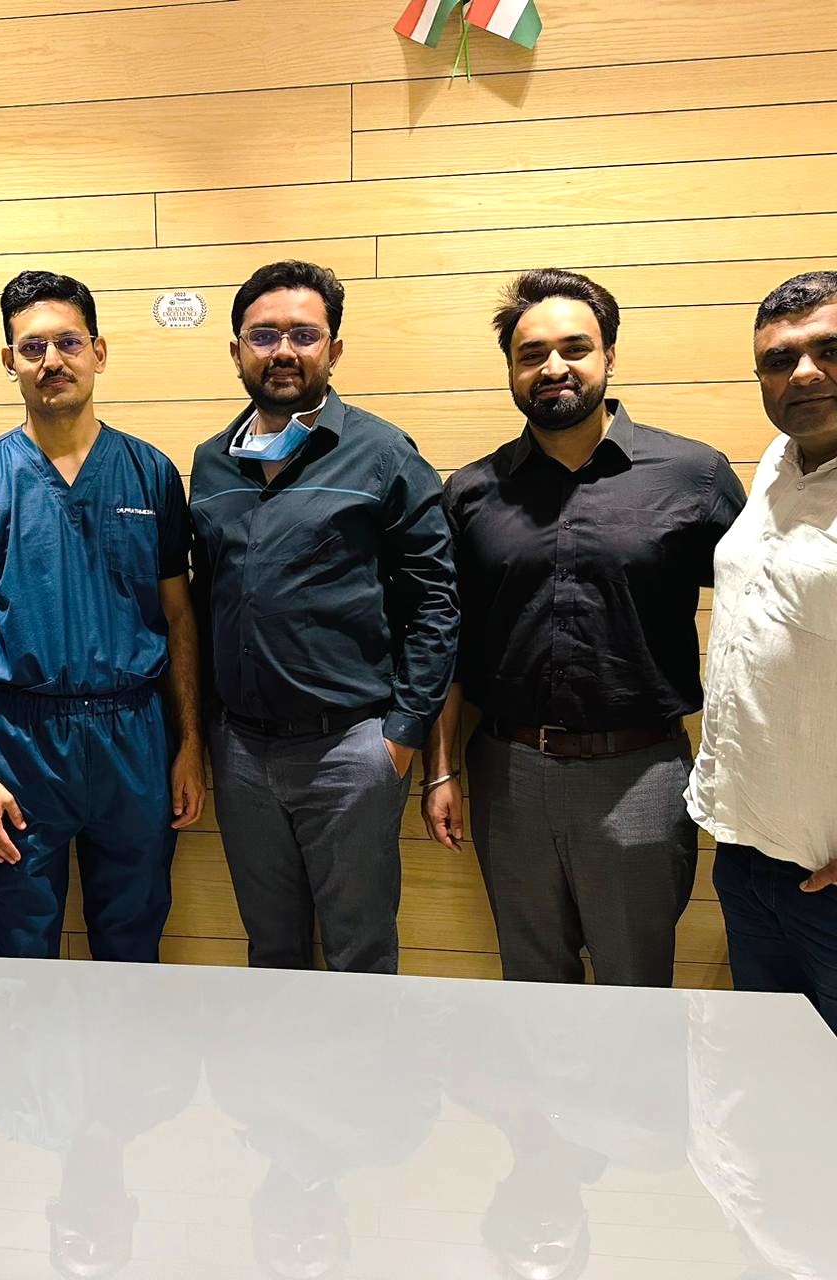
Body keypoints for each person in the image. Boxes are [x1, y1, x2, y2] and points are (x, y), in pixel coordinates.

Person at [422, 268, 745, 986]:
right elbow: (447, 644)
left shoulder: (693, 475)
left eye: (575, 348)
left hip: (641, 774)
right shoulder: (470, 493)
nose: (553, 367)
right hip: (507, 771)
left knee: (637, 984)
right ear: (512, 370)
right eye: (531, 354)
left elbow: (761, 619)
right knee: (533, 983)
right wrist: (440, 768)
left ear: (609, 356)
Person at [189, 259, 458, 974]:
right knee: (271, 950)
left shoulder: (383, 453)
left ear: (333, 349)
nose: (283, 351)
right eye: (263, 335)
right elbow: (207, 596)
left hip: (350, 750)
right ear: (236, 351)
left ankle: (365, 1062)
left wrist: (400, 736)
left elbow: (435, 600)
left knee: (358, 953)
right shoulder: (211, 463)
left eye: (304, 335)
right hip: (242, 752)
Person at [0, 271, 204, 961]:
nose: (51, 360)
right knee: (16, 946)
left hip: (134, 737)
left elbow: (179, 619)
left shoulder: (150, 473)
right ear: (10, 361)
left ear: (98, 352)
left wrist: (189, 746)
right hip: (20, 741)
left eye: (68, 342)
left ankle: (126, 1042)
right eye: (32, 347)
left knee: (133, 939)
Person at [686, 270, 837, 1034]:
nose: (804, 373)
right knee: (772, 1071)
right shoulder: (779, 459)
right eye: (780, 360)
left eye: (829, 350)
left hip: (829, 872)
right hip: (748, 851)